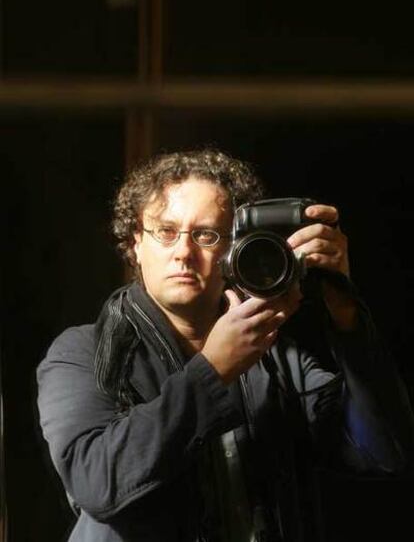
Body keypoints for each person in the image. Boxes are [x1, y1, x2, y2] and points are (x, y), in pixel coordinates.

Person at [37, 149, 414, 542]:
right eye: (166, 231)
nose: (183, 252)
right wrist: (214, 371)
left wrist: (347, 316)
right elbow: (97, 484)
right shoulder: (82, 353)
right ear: (136, 244)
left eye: (205, 234)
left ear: (232, 249)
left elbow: (384, 454)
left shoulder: (274, 354)